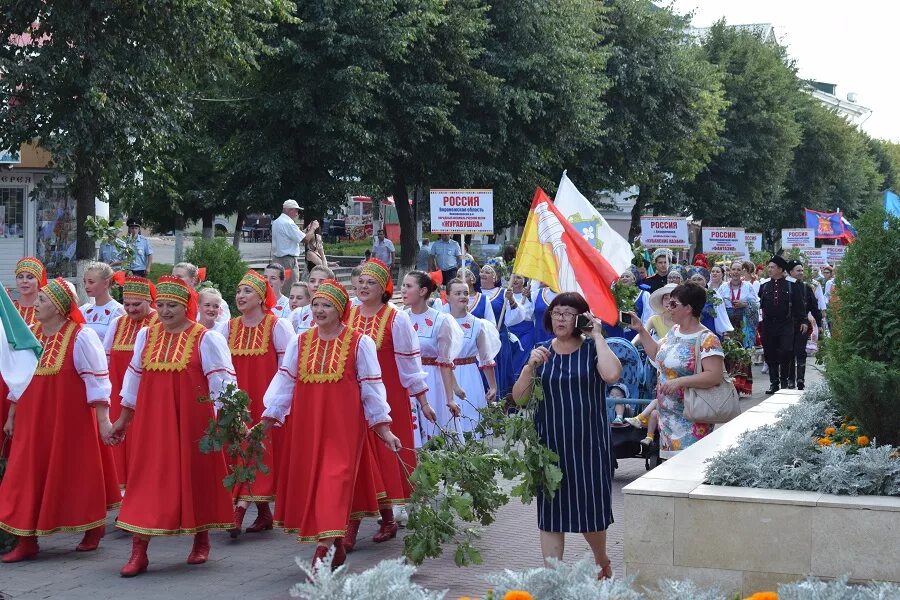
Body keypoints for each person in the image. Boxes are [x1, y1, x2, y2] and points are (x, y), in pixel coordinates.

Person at [260, 280, 399, 571]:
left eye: (327, 306)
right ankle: (334, 545)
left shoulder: (359, 342)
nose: (320, 310)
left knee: (334, 483)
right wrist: (268, 419)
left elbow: (372, 388)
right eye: (316, 305)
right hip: (307, 429)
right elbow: (285, 382)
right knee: (317, 484)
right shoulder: (300, 341)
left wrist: (383, 428)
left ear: (340, 310)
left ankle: (321, 551)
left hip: (344, 430)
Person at [109, 275, 237, 577]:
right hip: (152, 423)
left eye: (172, 306)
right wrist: (123, 421)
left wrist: (235, 421)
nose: (165, 312)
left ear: (186, 306)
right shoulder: (146, 337)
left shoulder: (206, 339)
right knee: (147, 479)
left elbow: (223, 384)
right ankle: (139, 550)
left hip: (194, 424)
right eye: (162, 305)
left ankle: (201, 539)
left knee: (196, 477)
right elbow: (133, 381)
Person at [0, 278, 119, 562]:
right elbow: (20, 379)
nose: (36, 305)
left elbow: (98, 382)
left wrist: (103, 421)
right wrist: (12, 416)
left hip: (69, 421)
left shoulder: (81, 336)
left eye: (41, 300)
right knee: (24, 474)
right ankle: (26, 539)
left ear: (57, 307)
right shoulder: (31, 334)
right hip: (33, 419)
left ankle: (92, 528)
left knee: (76, 473)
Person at [510, 292, 622, 576]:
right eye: (556, 312)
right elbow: (519, 398)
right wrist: (529, 366)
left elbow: (612, 376)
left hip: (589, 445)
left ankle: (601, 560)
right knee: (550, 517)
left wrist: (598, 335)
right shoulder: (541, 350)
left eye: (568, 313)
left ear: (581, 318)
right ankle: (554, 580)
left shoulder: (593, 350)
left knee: (591, 515)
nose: (561, 318)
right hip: (549, 446)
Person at [346, 259, 428, 543]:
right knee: (358, 457)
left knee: (384, 458)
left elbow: (410, 365)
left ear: (384, 289)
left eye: (371, 283)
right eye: (362, 282)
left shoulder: (397, 318)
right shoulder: (348, 315)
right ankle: (364, 520)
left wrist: (424, 401)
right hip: (353, 399)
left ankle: (387, 519)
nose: (364, 287)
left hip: (388, 397)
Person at [217, 270, 294, 537]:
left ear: (262, 297)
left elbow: (287, 368)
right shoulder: (227, 327)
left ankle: (239, 509)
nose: (240, 296)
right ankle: (262, 513)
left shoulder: (277, 326)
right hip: (237, 401)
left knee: (259, 453)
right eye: (238, 291)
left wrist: (280, 405)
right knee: (239, 452)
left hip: (266, 401)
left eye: (247, 291)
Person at [627, 283, 725, 459]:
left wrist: (680, 382)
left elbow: (714, 375)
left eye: (673, 304)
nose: (668, 307)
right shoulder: (674, 331)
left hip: (692, 418)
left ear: (688, 308)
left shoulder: (707, 338)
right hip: (667, 420)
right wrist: (641, 330)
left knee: (689, 469)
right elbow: (657, 353)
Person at [103, 276, 159, 490]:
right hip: (120, 393)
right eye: (127, 304)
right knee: (122, 443)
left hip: (147, 396)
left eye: (137, 304)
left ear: (149, 301)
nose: (131, 309)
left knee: (144, 443)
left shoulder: (158, 323)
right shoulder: (118, 323)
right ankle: (125, 496)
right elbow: (106, 357)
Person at [401, 271, 462, 444]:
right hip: (407, 380)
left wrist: (450, 398)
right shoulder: (401, 317)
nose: (403, 290)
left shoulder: (441, 320)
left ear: (422, 291)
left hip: (432, 382)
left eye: (408, 286)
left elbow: (445, 362)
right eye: (403, 285)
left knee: (434, 433)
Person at [445, 277, 500, 436]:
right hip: (446, 376)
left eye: (465, 293)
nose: (463, 296)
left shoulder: (478, 324)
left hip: (470, 376)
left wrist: (493, 386)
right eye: (457, 293)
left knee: (471, 420)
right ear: (447, 297)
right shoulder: (441, 322)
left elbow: (485, 357)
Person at [758, 255, 807, 394]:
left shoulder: (791, 285)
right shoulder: (764, 285)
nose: (770, 270)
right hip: (768, 324)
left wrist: (803, 319)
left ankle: (784, 381)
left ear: (780, 269)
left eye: (772, 267)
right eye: (769, 267)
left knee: (786, 351)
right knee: (770, 353)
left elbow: (799, 304)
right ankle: (774, 383)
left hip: (786, 324)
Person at [478, 264, 525, 398]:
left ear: (495, 277)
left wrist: (511, 300)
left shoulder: (503, 293)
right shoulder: (474, 294)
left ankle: (500, 399)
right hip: (479, 341)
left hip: (499, 337)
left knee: (499, 369)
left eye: (487, 272)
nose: (483, 274)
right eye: (482, 271)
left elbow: (517, 316)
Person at [717, 262, 759, 395]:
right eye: (733, 269)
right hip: (728, 323)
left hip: (743, 324)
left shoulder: (748, 286)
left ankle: (740, 385)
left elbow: (756, 303)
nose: (735, 272)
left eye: (738, 270)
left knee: (742, 352)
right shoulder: (723, 287)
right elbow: (716, 303)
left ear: (742, 272)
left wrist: (744, 304)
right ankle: (729, 383)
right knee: (728, 352)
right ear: (729, 272)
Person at [786, 260, 823, 391]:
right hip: (787, 325)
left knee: (801, 351)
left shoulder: (806, 287)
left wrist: (819, 324)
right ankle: (790, 379)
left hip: (802, 324)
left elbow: (814, 306)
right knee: (789, 352)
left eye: (802, 270)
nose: (801, 273)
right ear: (791, 272)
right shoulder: (786, 286)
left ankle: (800, 379)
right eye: (798, 270)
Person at [271, 199, 313, 294]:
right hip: (288, 261)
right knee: (291, 289)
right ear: (290, 210)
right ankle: (291, 308)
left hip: (277, 259)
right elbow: (306, 239)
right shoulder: (288, 223)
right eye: (296, 210)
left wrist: (306, 230)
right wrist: (313, 228)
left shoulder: (277, 222)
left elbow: (294, 235)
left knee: (279, 289)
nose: (297, 213)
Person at [80, 261, 126, 341]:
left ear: (106, 283)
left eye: (91, 282)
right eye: (85, 282)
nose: (86, 286)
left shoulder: (117, 311)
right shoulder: (84, 310)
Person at [508, 274, 535, 377]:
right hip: (510, 330)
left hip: (526, 330)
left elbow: (534, 311)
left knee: (521, 357)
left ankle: (518, 380)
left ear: (524, 281)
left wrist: (529, 296)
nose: (515, 280)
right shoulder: (506, 295)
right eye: (513, 277)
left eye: (519, 278)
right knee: (509, 356)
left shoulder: (530, 294)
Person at [13, 256, 45, 327]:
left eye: (30, 277)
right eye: (20, 277)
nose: (24, 281)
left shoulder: (46, 309)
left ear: (38, 281)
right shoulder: (9, 308)